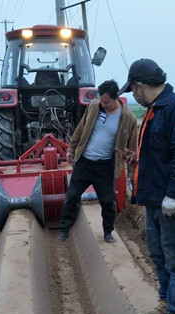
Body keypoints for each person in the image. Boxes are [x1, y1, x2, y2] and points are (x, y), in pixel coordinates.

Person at [118, 59, 175, 314]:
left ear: (140, 86)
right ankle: (166, 300)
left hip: (174, 201)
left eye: (133, 90)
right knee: (159, 254)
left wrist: (174, 196)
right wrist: (138, 158)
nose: (133, 95)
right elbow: (160, 153)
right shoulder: (155, 110)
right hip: (155, 197)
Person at [58, 79, 138, 243]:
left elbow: (132, 148)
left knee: (108, 201)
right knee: (72, 197)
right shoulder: (94, 106)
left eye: (107, 102)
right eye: (101, 100)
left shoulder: (127, 117)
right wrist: (71, 149)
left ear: (116, 98)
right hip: (84, 163)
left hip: (105, 166)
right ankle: (64, 229)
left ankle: (108, 232)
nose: (103, 104)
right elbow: (80, 129)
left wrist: (131, 172)